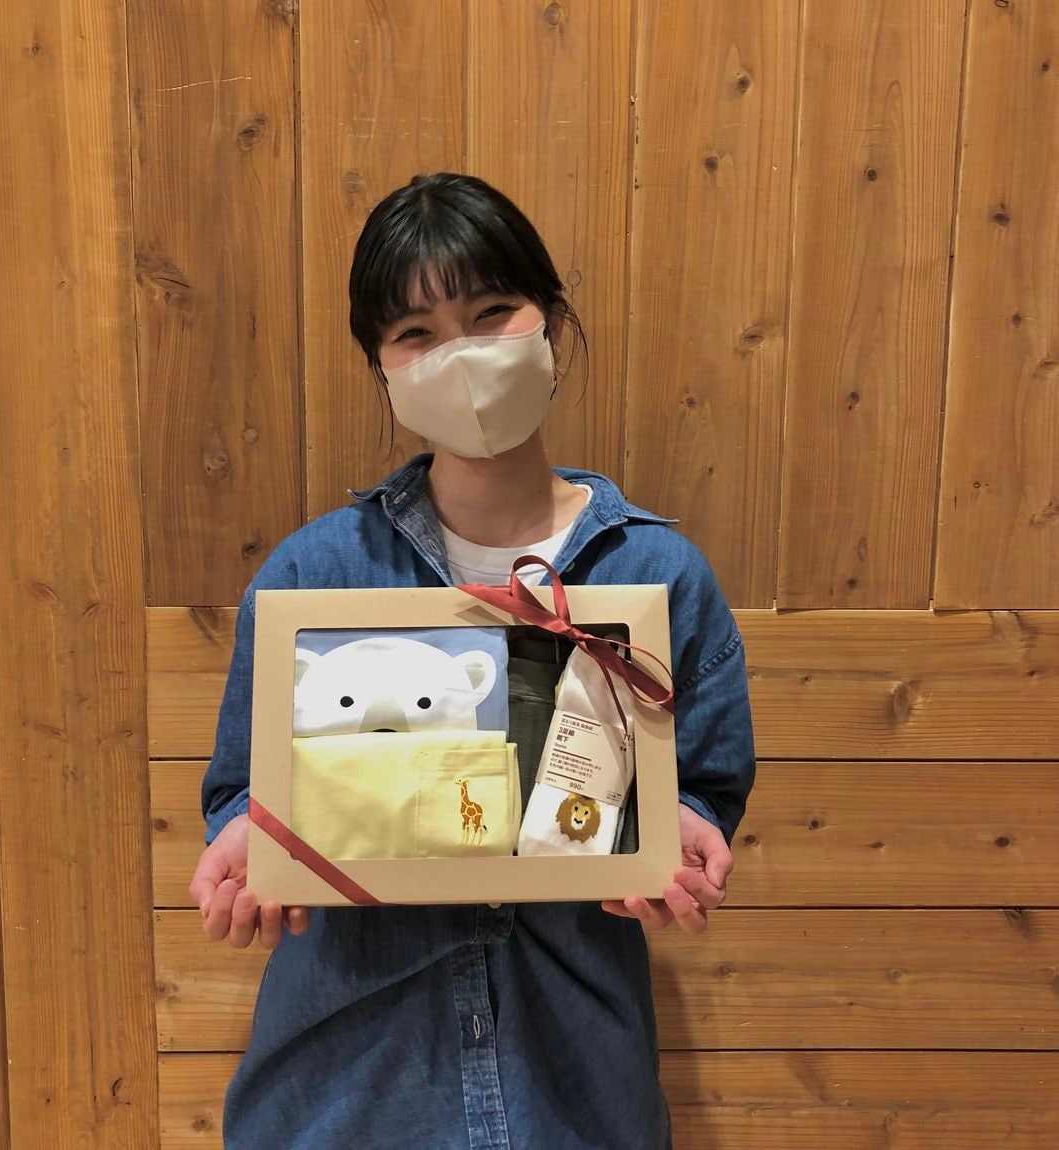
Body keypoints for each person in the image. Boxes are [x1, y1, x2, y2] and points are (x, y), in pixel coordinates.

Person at [190, 172, 756, 1150]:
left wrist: (683, 831)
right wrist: (248, 838)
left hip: (573, 1084)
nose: (460, 355)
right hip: (347, 1085)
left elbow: (701, 782)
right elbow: (245, 788)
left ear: (552, 325)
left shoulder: (657, 577)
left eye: (493, 312)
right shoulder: (314, 576)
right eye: (416, 333)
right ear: (381, 366)